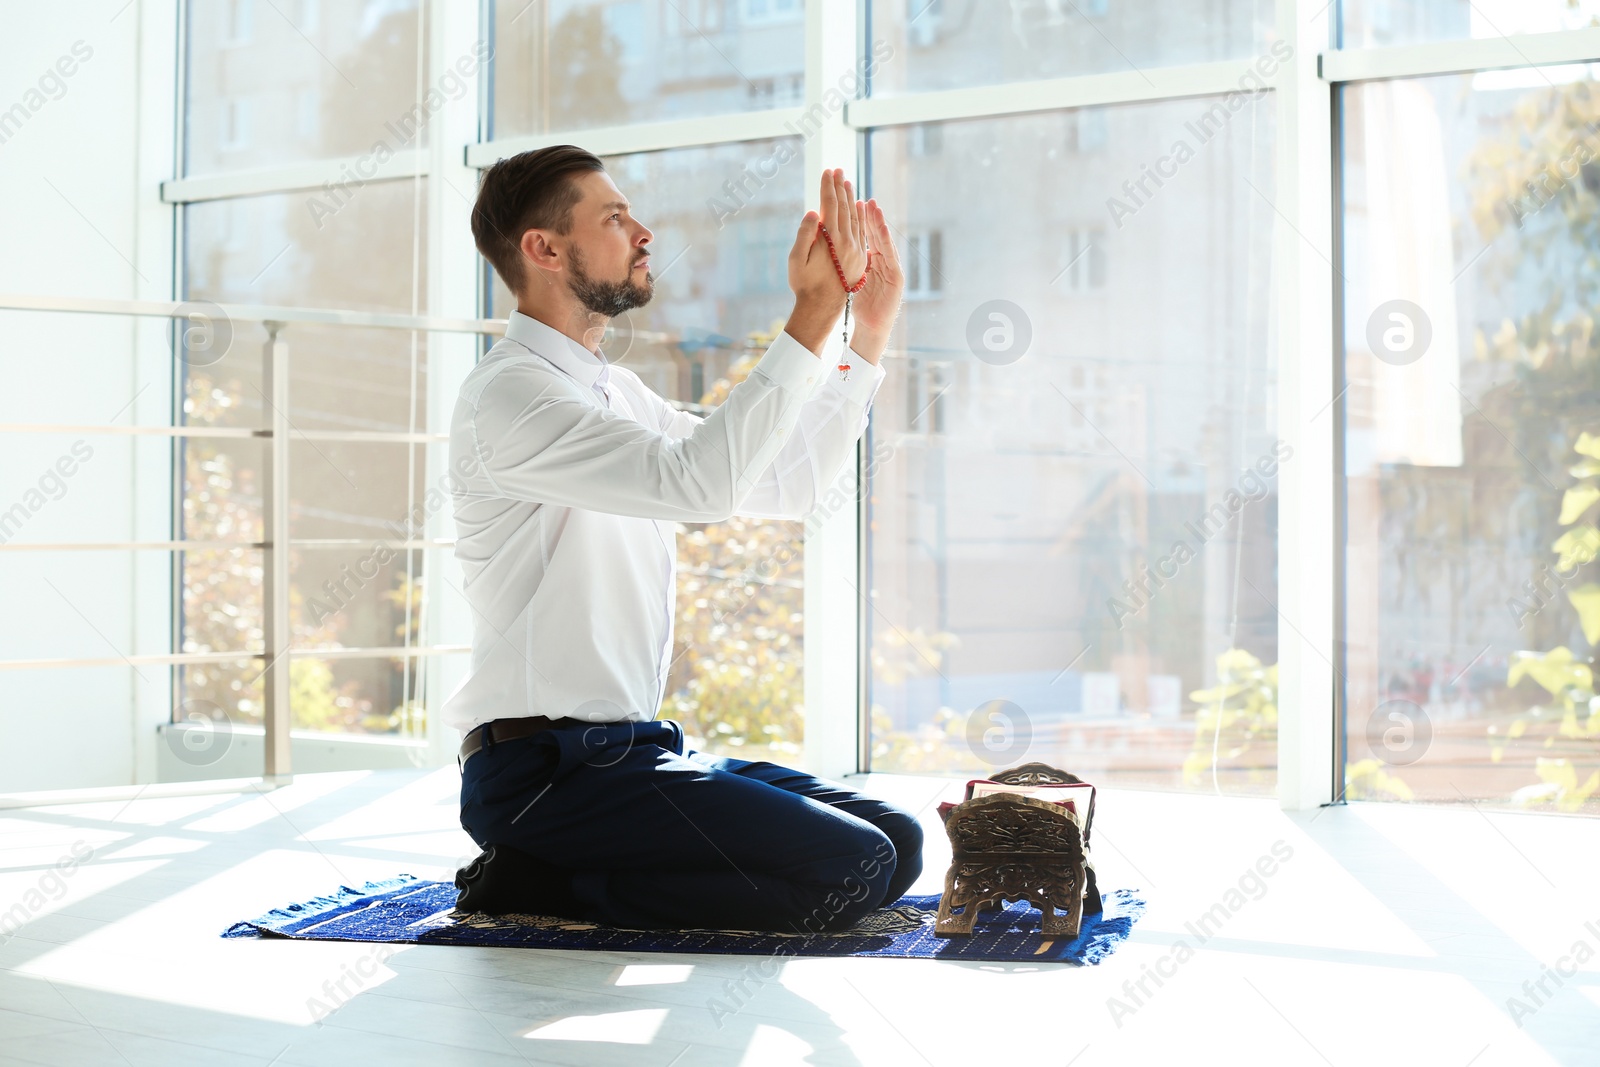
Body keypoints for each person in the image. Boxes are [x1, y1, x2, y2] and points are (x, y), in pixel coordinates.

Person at [444, 144, 920, 934]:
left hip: (634, 750)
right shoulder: (511, 398)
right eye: (615, 216)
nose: (644, 231)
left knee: (896, 842)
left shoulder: (613, 390)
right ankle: (546, 885)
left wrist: (863, 333)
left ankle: (571, 869)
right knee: (855, 865)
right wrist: (806, 315)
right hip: (543, 773)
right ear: (545, 248)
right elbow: (701, 484)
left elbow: (785, 484)